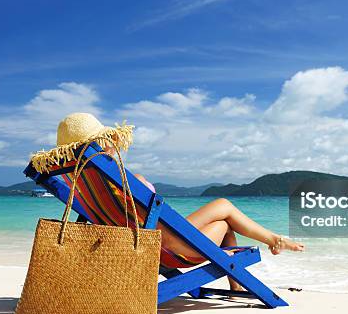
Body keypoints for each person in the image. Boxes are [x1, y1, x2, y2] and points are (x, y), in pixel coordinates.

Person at [31, 113, 305, 292]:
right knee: (223, 206)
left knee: (224, 224)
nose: (114, 145)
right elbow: (150, 217)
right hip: (169, 247)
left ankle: (238, 283)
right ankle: (272, 240)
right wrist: (140, 181)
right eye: (108, 141)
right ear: (101, 146)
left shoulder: (81, 184)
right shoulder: (119, 178)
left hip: (149, 246)